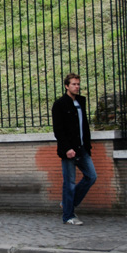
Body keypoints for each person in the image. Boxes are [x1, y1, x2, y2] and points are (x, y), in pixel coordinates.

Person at [52, 73, 97, 226]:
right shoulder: (59, 104)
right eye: (73, 84)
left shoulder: (81, 101)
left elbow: (83, 125)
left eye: (78, 84)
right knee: (69, 183)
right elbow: (58, 130)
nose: (77, 87)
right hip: (69, 150)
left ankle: (66, 203)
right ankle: (68, 216)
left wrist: (87, 145)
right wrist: (66, 148)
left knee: (91, 176)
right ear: (66, 86)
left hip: (82, 147)